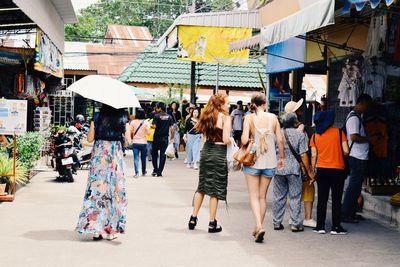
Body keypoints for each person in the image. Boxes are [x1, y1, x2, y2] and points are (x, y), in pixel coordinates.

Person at [75, 104, 129, 241]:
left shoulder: (97, 116)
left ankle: (96, 230)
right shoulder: (123, 117)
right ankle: (111, 230)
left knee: (97, 192)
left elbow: (89, 139)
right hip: (115, 156)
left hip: (99, 156)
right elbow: (128, 141)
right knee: (115, 192)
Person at [241, 92, 285, 243]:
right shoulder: (273, 118)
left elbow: (244, 139)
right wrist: (281, 158)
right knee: (262, 196)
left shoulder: (249, 118)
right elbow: (280, 140)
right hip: (270, 161)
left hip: (253, 161)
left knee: (253, 196)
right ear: (264, 103)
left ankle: (259, 226)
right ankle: (258, 226)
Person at [187, 92, 231, 234]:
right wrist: (232, 141)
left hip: (206, 151)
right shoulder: (225, 118)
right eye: (227, 103)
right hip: (219, 152)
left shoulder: (206, 116)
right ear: (221, 104)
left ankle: (193, 218)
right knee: (215, 188)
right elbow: (225, 140)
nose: (228, 105)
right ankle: (212, 223)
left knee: (202, 186)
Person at [272, 113, 315, 233]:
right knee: (295, 197)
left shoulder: (277, 134)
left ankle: (277, 222)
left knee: (278, 197)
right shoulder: (299, 134)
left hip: (279, 169)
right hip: (294, 170)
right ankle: (295, 224)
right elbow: (303, 155)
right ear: (295, 122)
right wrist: (309, 171)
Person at [310, 110, 349, 235]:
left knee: (322, 198)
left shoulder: (315, 136)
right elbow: (346, 151)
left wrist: (313, 169)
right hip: (338, 170)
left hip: (321, 170)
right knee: (336, 199)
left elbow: (313, 155)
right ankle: (336, 227)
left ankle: (320, 226)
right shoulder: (339, 133)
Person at [284, 99, 316, 228]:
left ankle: (294, 218)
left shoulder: (284, 129)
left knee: (293, 192)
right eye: (299, 109)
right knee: (308, 188)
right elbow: (303, 152)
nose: (302, 110)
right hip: (301, 163)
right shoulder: (300, 128)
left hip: (288, 163)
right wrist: (309, 170)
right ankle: (307, 218)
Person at [342, 93, 373, 223]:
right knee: (353, 187)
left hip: (360, 156)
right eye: (366, 105)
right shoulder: (353, 118)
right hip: (357, 156)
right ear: (361, 103)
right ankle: (345, 214)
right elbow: (354, 137)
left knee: (356, 187)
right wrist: (368, 139)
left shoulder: (357, 117)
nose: (367, 108)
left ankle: (352, 212)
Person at [151, 102, 174, 177]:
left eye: (157, 107)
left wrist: (150, 125)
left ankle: (156, 169)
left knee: (154, 154)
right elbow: (172, 128)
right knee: (162, 155)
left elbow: (154, 126)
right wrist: (172, 138)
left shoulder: (156, 116)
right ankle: (159, 172)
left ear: (160, 108)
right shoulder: (169, 117)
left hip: (156, 138)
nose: (156, 109)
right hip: (165, 139)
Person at [129, 108, 150, 178]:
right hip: (143, 143)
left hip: (135, 142)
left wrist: (132, 138)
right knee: (143, 158)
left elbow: (130, 132)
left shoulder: (133, 122)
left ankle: (136, 173)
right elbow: (149, 133)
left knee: (136, 158)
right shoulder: (146, 122)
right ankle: (143, 172)